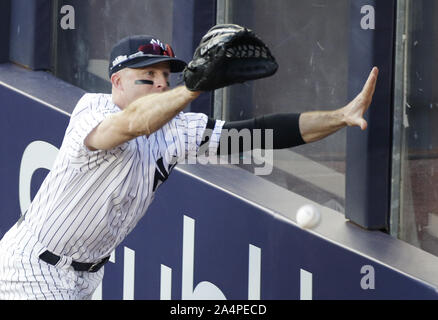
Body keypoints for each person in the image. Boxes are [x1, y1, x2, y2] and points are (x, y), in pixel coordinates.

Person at [0, 34, 378, 300]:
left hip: (85, 275)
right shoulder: (94, 110)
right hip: (34, 269)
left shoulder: (177, 130)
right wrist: (193, 87)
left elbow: (259, 135)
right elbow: (132, 124)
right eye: (147, 77)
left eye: (167, 76)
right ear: (116, 81)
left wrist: (339, 117)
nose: (160, 84)